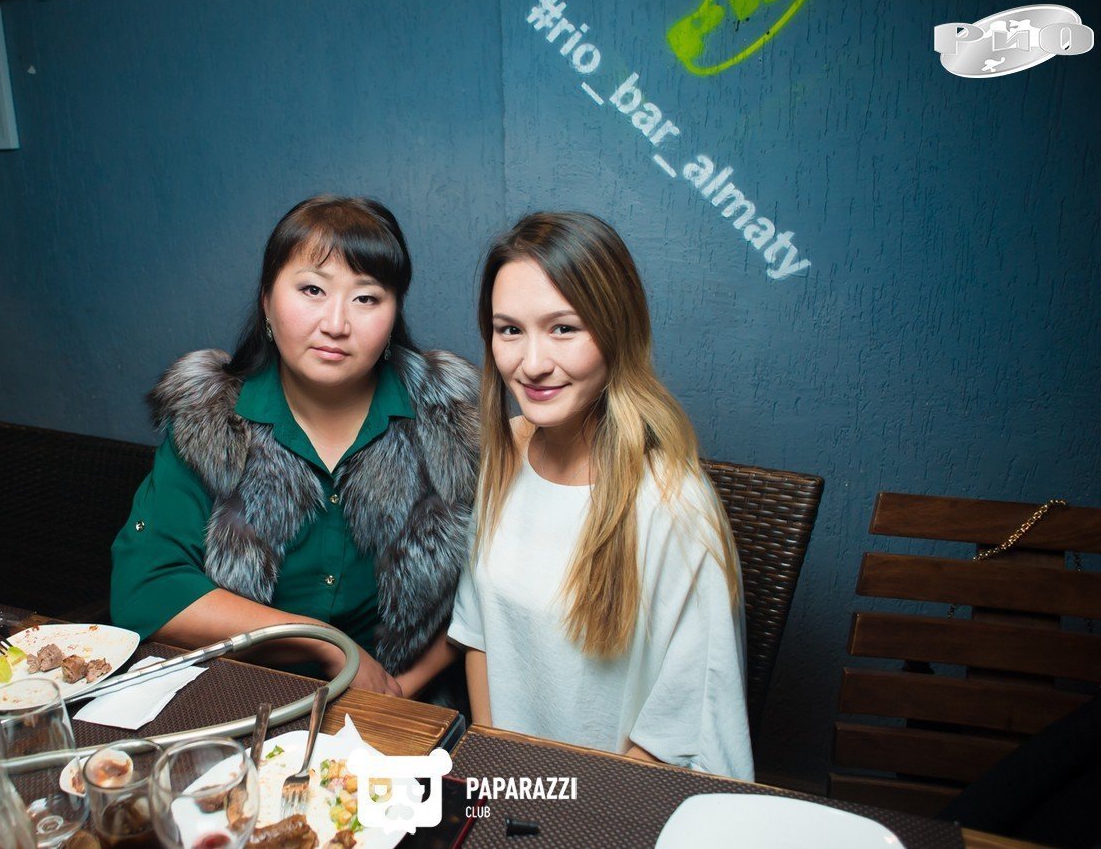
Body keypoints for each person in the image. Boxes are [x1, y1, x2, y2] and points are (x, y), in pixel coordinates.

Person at [111, 195, 478, 698]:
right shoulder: (209, 419)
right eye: (312, 290)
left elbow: (491, 584)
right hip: (243, 700)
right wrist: (324, 643)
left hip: (409, 706)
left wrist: (399, 691)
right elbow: (146, 590)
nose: (336, 324)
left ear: (394, 314)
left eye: (366, 298)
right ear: (266, 300)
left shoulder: (451, 417)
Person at [449, 211, 753, 779]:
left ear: (617, 331)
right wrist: (496, 775)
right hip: (507, 788)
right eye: (509, 330)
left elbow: (684, 730)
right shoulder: (504, 454)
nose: (532, 364)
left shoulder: (674, 504)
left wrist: (565, 809)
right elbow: (480, 634)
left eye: (564, 328)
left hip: (618, 801)